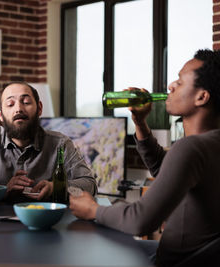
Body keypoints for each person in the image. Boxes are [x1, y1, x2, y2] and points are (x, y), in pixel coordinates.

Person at [69, 49, 220, 267]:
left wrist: (93, 209)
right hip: (192, 257)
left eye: (180, 81)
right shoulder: (209, 143)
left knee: (86, 250)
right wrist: (139, 122)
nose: (171, 86)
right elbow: (166, 171)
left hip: (171, 261)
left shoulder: (191, 147)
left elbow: (139, 220)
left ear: (202, 96)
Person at [0, 82, 97, 202]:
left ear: (39, 108)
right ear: (0, 114)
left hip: (47, 222)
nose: (19, 109)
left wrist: (56, 187)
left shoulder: (60, 144)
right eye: (10, 104)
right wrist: (2, 190)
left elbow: (89, 185)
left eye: (26, 102)